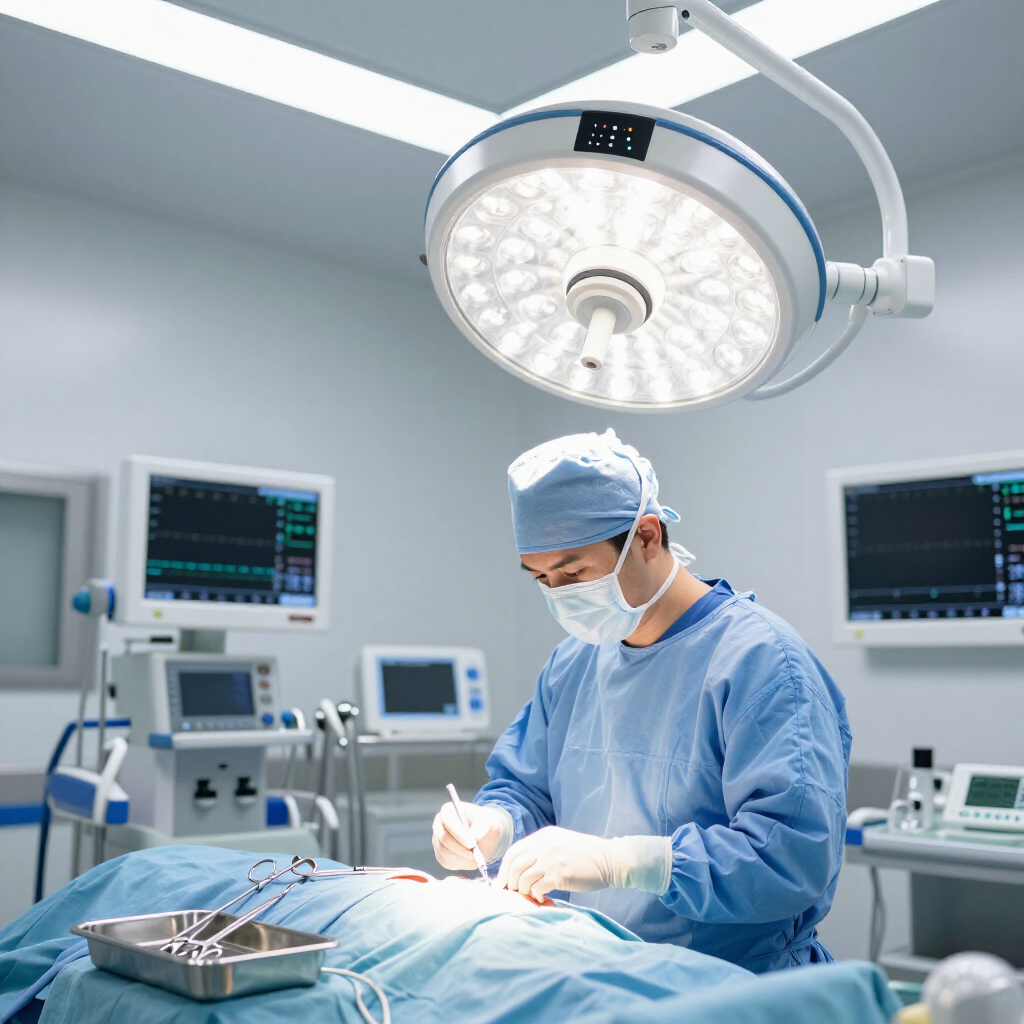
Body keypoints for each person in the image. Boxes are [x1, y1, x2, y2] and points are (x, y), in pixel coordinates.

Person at [432, 429, 851, 973]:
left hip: (728, 985)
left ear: (647, 536)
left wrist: (622, 862)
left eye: (574, 572)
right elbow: (526, 789)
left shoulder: (765, 665)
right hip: (594, 973)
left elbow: (790, 855)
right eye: (541, 578)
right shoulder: (574, 662)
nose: (558, 593)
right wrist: (496, 824)